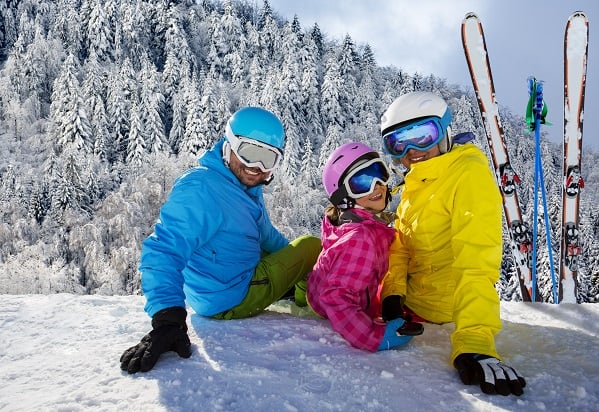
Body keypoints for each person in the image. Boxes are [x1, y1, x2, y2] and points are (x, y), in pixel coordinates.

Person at [120, 107, 321, 374]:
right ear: (229, 145)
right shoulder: (202, 188)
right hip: (231, 296)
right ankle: (319, 299)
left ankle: (295, 288)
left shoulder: (242, 186)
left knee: (289, 251)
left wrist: (293, 265)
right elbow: (164, 249)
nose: (255, 167)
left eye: (267, 159)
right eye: (249, 153)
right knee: (312, 246)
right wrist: (168, 319)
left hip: (224, 282)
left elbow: (266, 236)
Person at [379, 91, 526, 396]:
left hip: (441, 308)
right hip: (412, 303)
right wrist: (393, 294)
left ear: (444, 131)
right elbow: (402, 247)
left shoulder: (467, 174)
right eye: (398, 143)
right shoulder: (416, 183)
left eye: (423, 136)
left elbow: (476, 260)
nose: (412, 150)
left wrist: (475, 341)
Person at [306, 142, 423, 352]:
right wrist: (374, 337)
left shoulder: (355, 223)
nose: (377, 185)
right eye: (362, 183)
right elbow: (336, 298)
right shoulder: (360, 238)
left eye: (379, 173)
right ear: (344, 197)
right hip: (332, 307)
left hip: (324, 291)